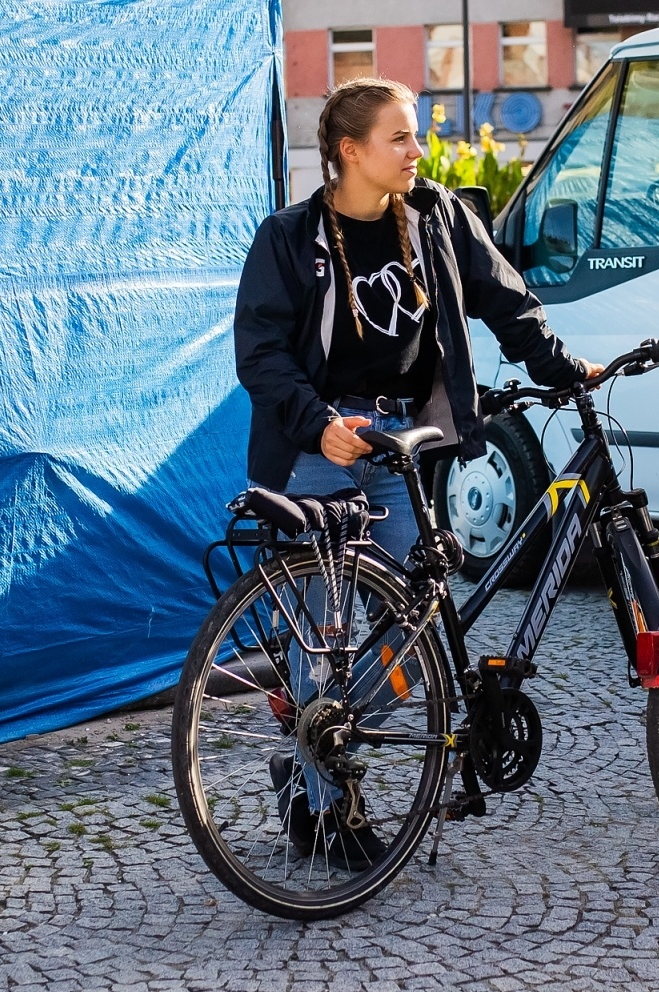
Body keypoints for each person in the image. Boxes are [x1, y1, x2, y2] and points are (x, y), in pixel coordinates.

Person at [233, 77, 600, 869]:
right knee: (324, 632)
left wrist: (561, 365)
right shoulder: (289, 239)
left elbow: (505, 298)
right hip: (318, 446)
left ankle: (306, 756)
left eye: (414, 136)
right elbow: (259, 355)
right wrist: (319, 425)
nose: (417, 151)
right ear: (349, 152)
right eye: (399, 138)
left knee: (419, 623)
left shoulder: (433, 214)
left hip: (399, 443)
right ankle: (328, 805)